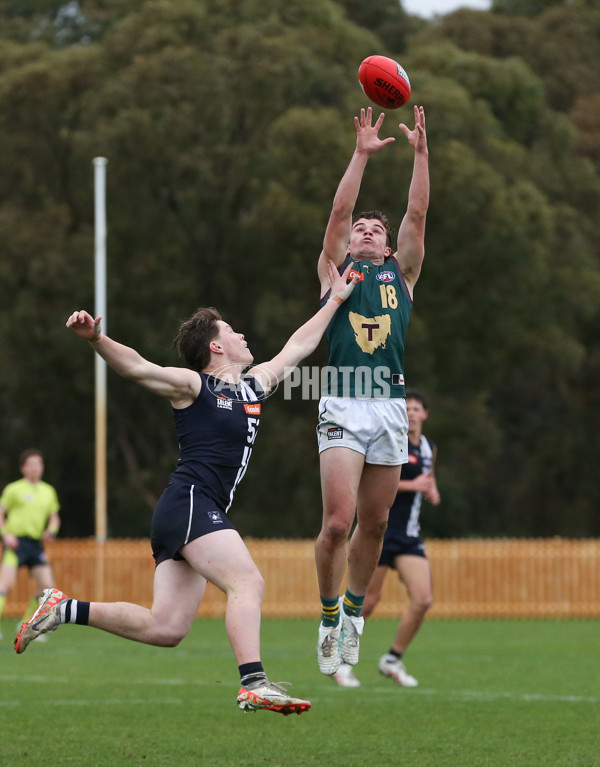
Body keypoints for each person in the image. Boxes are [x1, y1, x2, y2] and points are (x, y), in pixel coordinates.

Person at [15, 260, 358, 717]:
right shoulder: (194, 385)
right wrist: (97, 339)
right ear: (216, 345)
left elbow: (300, 344)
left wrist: (337, 298)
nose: (243, 337)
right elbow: (138, 368)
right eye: (233, 331)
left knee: (167, 627)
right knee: (247, 582)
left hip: (192, 510)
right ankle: (254, 682)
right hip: (190, 502)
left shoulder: (254, 386)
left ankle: (62, 608)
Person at [315, 105, 429, 676]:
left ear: (388, 249)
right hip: (340, 397)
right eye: (362, 226)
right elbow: (338, 210)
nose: (366, 229)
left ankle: (355, 614)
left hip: (386, 406)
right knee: (338, 523)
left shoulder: (400, 277)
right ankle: (330, 612)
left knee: (376, 523)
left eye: (375, 229)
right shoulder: (336, 272)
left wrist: (421, 156)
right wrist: (360, 152)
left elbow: (416, 212)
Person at [333, 389, 440, 688]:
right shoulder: (390, 439)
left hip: (408, 535)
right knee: (367, 601)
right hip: (379, 531)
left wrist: (431, 489)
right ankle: (339, 660)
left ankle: (392, 659)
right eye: (407, 407)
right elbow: (374, 484)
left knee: (423, 599)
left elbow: (426, 479)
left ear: (425, 415)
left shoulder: (429, 447)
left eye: (418, 408)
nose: (412, 413)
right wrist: (414, 485)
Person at [0, 449, 61, 642]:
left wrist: (51, 530)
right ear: (23, 468)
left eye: (39, 464)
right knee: (5, 585)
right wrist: (5, 535)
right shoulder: (13, 489)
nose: (36, 468)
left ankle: (26, 623)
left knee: (48, 587)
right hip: (16, 543)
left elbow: (54, 518)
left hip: (36, 544)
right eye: (32, 464)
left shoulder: (48, 491)